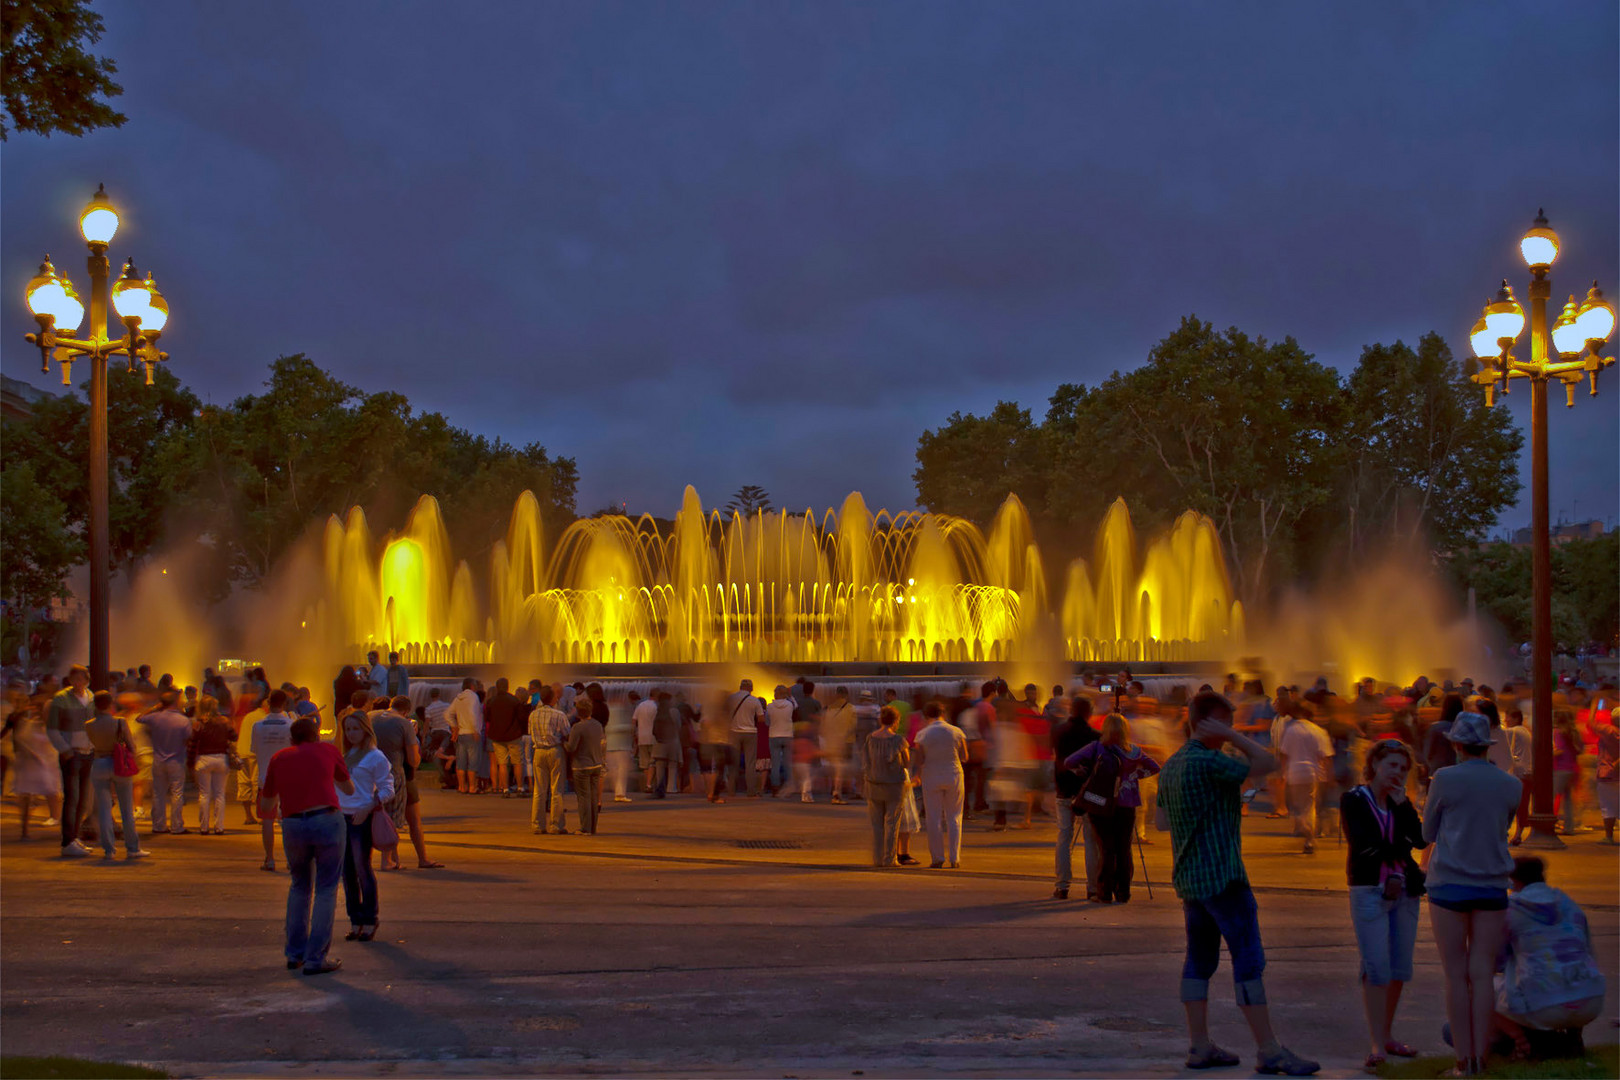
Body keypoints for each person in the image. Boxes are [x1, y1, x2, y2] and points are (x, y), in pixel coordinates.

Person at [1157, 691, 1317, 1076]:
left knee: (1199, 961)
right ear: (1208, 723)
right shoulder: (1211, 761)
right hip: (1224, 876)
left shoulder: (1173, 764)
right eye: (1224, 723)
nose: (1229, 729)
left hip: (1190, 878)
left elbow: (1162, 823)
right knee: (1247, 960)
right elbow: (1267, 762)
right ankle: (1269, 1049)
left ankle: (1198, 1046)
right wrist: (1234, 739)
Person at [1423, 711, 1522, 1077]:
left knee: (1455, 973)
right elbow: (1505, 825)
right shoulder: (1510, 784)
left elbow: (1427, 833)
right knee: (1482, 973)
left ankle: (1462, 1061)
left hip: (1449, 881)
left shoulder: (1445, 779)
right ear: (1486, 745)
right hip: (1493, 883)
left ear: (1457, 745)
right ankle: (1482, 1058)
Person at [1340, 740, 1427, 1072]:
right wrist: (1398, 845)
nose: (1397, 773)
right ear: (1375, 764)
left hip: (1404, 890)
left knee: (1400, 966)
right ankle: (1377, 1042)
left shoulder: (1399, 803)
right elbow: (1363, 844)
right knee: (1376, 966)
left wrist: (1404, 806)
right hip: (1369, 890)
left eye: (1403, 769)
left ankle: (1388, 1034)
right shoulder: (1354, 799)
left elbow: (1419, 839)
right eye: (1392, 765)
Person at [260, 715, 354, 975]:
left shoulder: (279, 758)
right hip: (327, 820)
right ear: (317, 735)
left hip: (293, 824)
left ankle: (295, 953)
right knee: (326, 888)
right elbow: (348, 789)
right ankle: (316, 958)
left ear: (292, 739)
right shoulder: (328, 751)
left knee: (300, 886)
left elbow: (266, 805)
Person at [1491, 857, 1607, 1058]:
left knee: (1480, 986)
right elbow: (1587, 950)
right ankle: (1572, 1037)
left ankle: (1522, 1042)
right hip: (1591, 999)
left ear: (1514, 882)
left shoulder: (1511, 910)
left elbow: (1494, 961)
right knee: (1565, 970)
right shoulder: (1569, 904)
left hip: (1543, 1005)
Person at [1066, 712, 1160, 904]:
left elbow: (1069, 761)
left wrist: (1081, 771)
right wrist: (1135, 776)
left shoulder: (1097, 748)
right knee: (1124, 849)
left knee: (1106, 848)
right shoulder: (1135, 751)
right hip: (1127, 804)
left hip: (1101, 803)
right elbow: (1155, 767)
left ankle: (1104, 892)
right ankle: (1123, 892)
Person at [339, 708, 393, 943]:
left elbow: (388, 789)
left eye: (355, 728)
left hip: (362, 816)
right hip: (340, 816)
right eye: (347, 729)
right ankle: (355, 919)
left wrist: (368, 807)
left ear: (365, 729)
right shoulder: (342, 755)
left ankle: (370, 918)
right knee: (346, 872)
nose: (351, 733)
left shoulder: (375, 757)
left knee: (362, 868)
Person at [84, 692, 150, 861]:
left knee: (104, 810)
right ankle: (132, 848)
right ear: (110, 704)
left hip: (99, 763)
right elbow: (131, 745)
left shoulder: (89, 725)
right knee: (126, 809)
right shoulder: (119, 722)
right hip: (119, 764)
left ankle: (109, 850)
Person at [1052, 695, 1099, 899]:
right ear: (1089, 712)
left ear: (1072, 710)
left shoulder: (1058, 731)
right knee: (1091, 839)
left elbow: (1057, 757)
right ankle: (1092, 888)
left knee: (1064, 837)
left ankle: (1062, 886)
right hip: (1087, 793)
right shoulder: (1095, 736)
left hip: (1063, 790)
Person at [48, 665, 95, 857]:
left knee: (83, 798)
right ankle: (67, 840)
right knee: (72, 797)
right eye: (75, 679)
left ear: (87, 680)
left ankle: (75, 837)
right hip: (71, 753)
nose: (78, 683)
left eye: (81, 679)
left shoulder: (90, 697)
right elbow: (52, 728)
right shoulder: (61, 699)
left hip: (88, 752)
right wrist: (64, 749)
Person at [913, 701, 967, 868]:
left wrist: (917, 775)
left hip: (931, 775)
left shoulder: (922, 734)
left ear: (927, 716)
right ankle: (954, 858)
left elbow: (920, 759)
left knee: (933, 818)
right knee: (954, 817)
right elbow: (965, 756)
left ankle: (937, 858)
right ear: (944, 714)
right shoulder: (957, 731)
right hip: (954, 774)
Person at [250, 691, 296, 872]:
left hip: (265, 777)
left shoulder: (258, 726)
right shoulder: (291, 725)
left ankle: (269, 859)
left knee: (267, 820)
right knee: (288, 821)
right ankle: (291, 859)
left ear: (268, 703)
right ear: (285, 704)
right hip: (288, 779)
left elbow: (254, 750)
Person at [370, 696, 417, 870]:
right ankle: (387, 860)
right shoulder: (404, 723)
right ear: (406, 711)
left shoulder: (370, 715)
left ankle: (368, 858)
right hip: (393, 773)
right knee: (391, 817)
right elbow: (414, 760)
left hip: (369, 771)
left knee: (368, 814)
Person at [1276, 703, 1330, 854]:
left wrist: (1282, 772)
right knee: (1310, 806)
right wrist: (1329, 776)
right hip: (1313, 773)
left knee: (1298, 807)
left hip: (1294, 773)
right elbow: (1324, 756)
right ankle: (1309, 838)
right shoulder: (1318, 731)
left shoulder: (1291, 730)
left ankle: (1304, 829)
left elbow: (1284, 754)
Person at [138, 690, 193, 835]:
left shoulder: (155, 717)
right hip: (176, 759)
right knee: (177, 793)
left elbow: (139, 718)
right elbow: (189, 738)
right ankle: (177, 826)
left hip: (158, 759)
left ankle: (158, 824)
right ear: (175, 702)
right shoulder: (183, 720)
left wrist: (155, 707)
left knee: (158, 793)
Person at [8, 694, 62, 840]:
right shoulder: (26, 723)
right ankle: (24, 830)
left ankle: (55, 818)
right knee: (26, 797)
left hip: (45, 765)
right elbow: (20, 740)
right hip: (29, 765)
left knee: (50, 793)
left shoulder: (48, 726)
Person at [863, 706, 910, 867]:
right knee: (892, 823)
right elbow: (907, 762)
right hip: (894, 786)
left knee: (876, 825)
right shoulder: (899, 740)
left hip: (873, 785)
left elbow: (866, 761)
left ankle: (877, 858)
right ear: (896, 721)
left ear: (880, 720)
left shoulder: (870, 738)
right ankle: (889, 859)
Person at [529, 684, 572, 834]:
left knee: (539, 790)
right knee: (557, 789)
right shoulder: (559, 715)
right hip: (555, 751)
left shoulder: (533, 715)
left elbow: (530, 732)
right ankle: (556, 825)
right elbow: (567, 733)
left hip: (538, 751)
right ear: (553, 699)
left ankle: (537, 825)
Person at [191, 695, 234, 835]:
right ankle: (219, 826)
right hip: (221, 758)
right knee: (220, 794)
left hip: (203, 759)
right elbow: (234, 736)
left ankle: (204, 827)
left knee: (204, 794)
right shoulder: (224, 721)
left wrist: (190, 762)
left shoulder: (198, 723)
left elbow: (193, 741)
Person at [565, 698, 606, 835]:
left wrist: (562, 742)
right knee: (593, 797)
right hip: (596, 764)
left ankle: (585, 828)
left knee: (583, 798)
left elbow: (571, 747)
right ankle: (593, 827)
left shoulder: (578, 727)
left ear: (578, 712)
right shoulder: (598, 725)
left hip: (581, 766)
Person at [482, 677, 526, 797]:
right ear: (507, 687)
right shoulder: (514, 701)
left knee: (502, 763)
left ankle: (505, 789)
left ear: (497, 687)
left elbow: (487, 718)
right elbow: (521, 718)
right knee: (517, 762)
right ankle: (520, 788)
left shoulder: (491, 701)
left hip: (497, 736)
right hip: (513, 735)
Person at [445, 677, 484, 795]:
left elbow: (447, 714)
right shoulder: (473, 697)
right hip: (472, 733)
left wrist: (454, 726)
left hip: (461, 734)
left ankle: (462, 787)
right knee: (473, 761)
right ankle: (472, 787)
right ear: (472, 686)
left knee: (461, 762)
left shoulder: (458, 698)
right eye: (475, 685)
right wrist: (476, 729)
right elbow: (473, 713)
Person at [725, 679, 764, 798]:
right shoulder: (755, 700)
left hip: (733, 732)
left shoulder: (731, 698)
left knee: (733, 763)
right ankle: (751, 792)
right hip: (750, 733)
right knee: (750, 763)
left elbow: (725, 714)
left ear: (740, 686)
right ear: (751, 688)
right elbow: (761, 719)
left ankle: (731, 791)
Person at [1550, 710, 1584, 834]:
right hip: (1572, 768)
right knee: (1568, 799)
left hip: (1561, 768)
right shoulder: (1575, 732)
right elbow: (1580, 749)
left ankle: (1549, 825)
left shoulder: (1558, 732)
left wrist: (1547, 755)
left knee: (1551, 797)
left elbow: (1560, 750)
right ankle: (1569, 827)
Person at [821, 687, 856, 804]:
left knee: (836, 768)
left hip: (832, 742)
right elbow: (853, 726)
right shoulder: (851, 708)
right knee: (842, 768)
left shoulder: (830, 708)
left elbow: (825, 726)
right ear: (847, 695)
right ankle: (838, 793)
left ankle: (836, 790)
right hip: (846, 742)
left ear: (837, 695)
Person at [605, 690, 635, 802]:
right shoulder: (620, 710)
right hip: (621, 745)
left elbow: (606, 727)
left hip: (612, 745)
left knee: (615, 769)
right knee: (621, 769)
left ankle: (618, 792)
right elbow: (612, 727)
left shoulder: (609, 710)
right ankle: (620, 793)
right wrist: (628, 728)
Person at [652, 691, 683, 797]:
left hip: (659, 742)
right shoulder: (674, 711)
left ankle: (660, 788)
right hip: (672, 741)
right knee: (672, 766)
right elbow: (678, 726)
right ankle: (671, 788)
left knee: (660, 766)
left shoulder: (656, 710)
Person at [766, 685, 795, 796]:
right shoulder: (790, 705)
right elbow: (796, 705)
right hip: (788, 735)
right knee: (788, 763)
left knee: (775, 764)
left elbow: (767, 722)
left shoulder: (769, 706)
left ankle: (775, 788)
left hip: (773, 736)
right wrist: (790, 695)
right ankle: (788, 787)